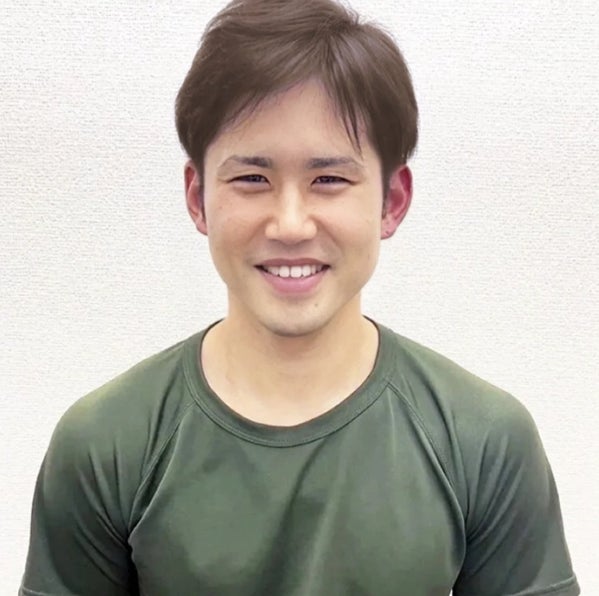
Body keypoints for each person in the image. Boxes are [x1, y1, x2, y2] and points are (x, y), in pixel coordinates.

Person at [20, 0, 580, 594]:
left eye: (329, 179)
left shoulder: (485, 443)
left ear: (391, 201)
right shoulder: (104, 444)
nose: (290, 224)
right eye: (252, 179)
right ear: (197, 196)